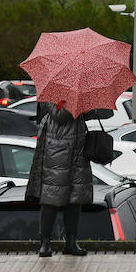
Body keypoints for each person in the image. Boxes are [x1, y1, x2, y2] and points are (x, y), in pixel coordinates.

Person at [25, 102, 91, 257]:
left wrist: (87, 109)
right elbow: (59, 116)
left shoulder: (76, 93)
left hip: (78, 151)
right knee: (51, 197)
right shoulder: (51, 94)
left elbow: (84, 117)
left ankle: (71, 242)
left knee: (75, 200)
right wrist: (75, 104)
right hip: (56, 150)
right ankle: (45, 243)